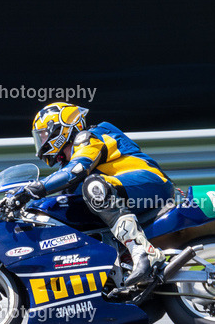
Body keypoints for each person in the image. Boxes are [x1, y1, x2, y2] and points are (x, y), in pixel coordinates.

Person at [12, 102, 173, 288]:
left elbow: (77, 169)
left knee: (94, 187)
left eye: (44, 134)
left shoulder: (88, 137)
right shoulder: (68, 162)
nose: (41, 141)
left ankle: (144, 252)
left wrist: (34, 189)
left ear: (61, 129)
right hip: (125, 192)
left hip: (151, 183)